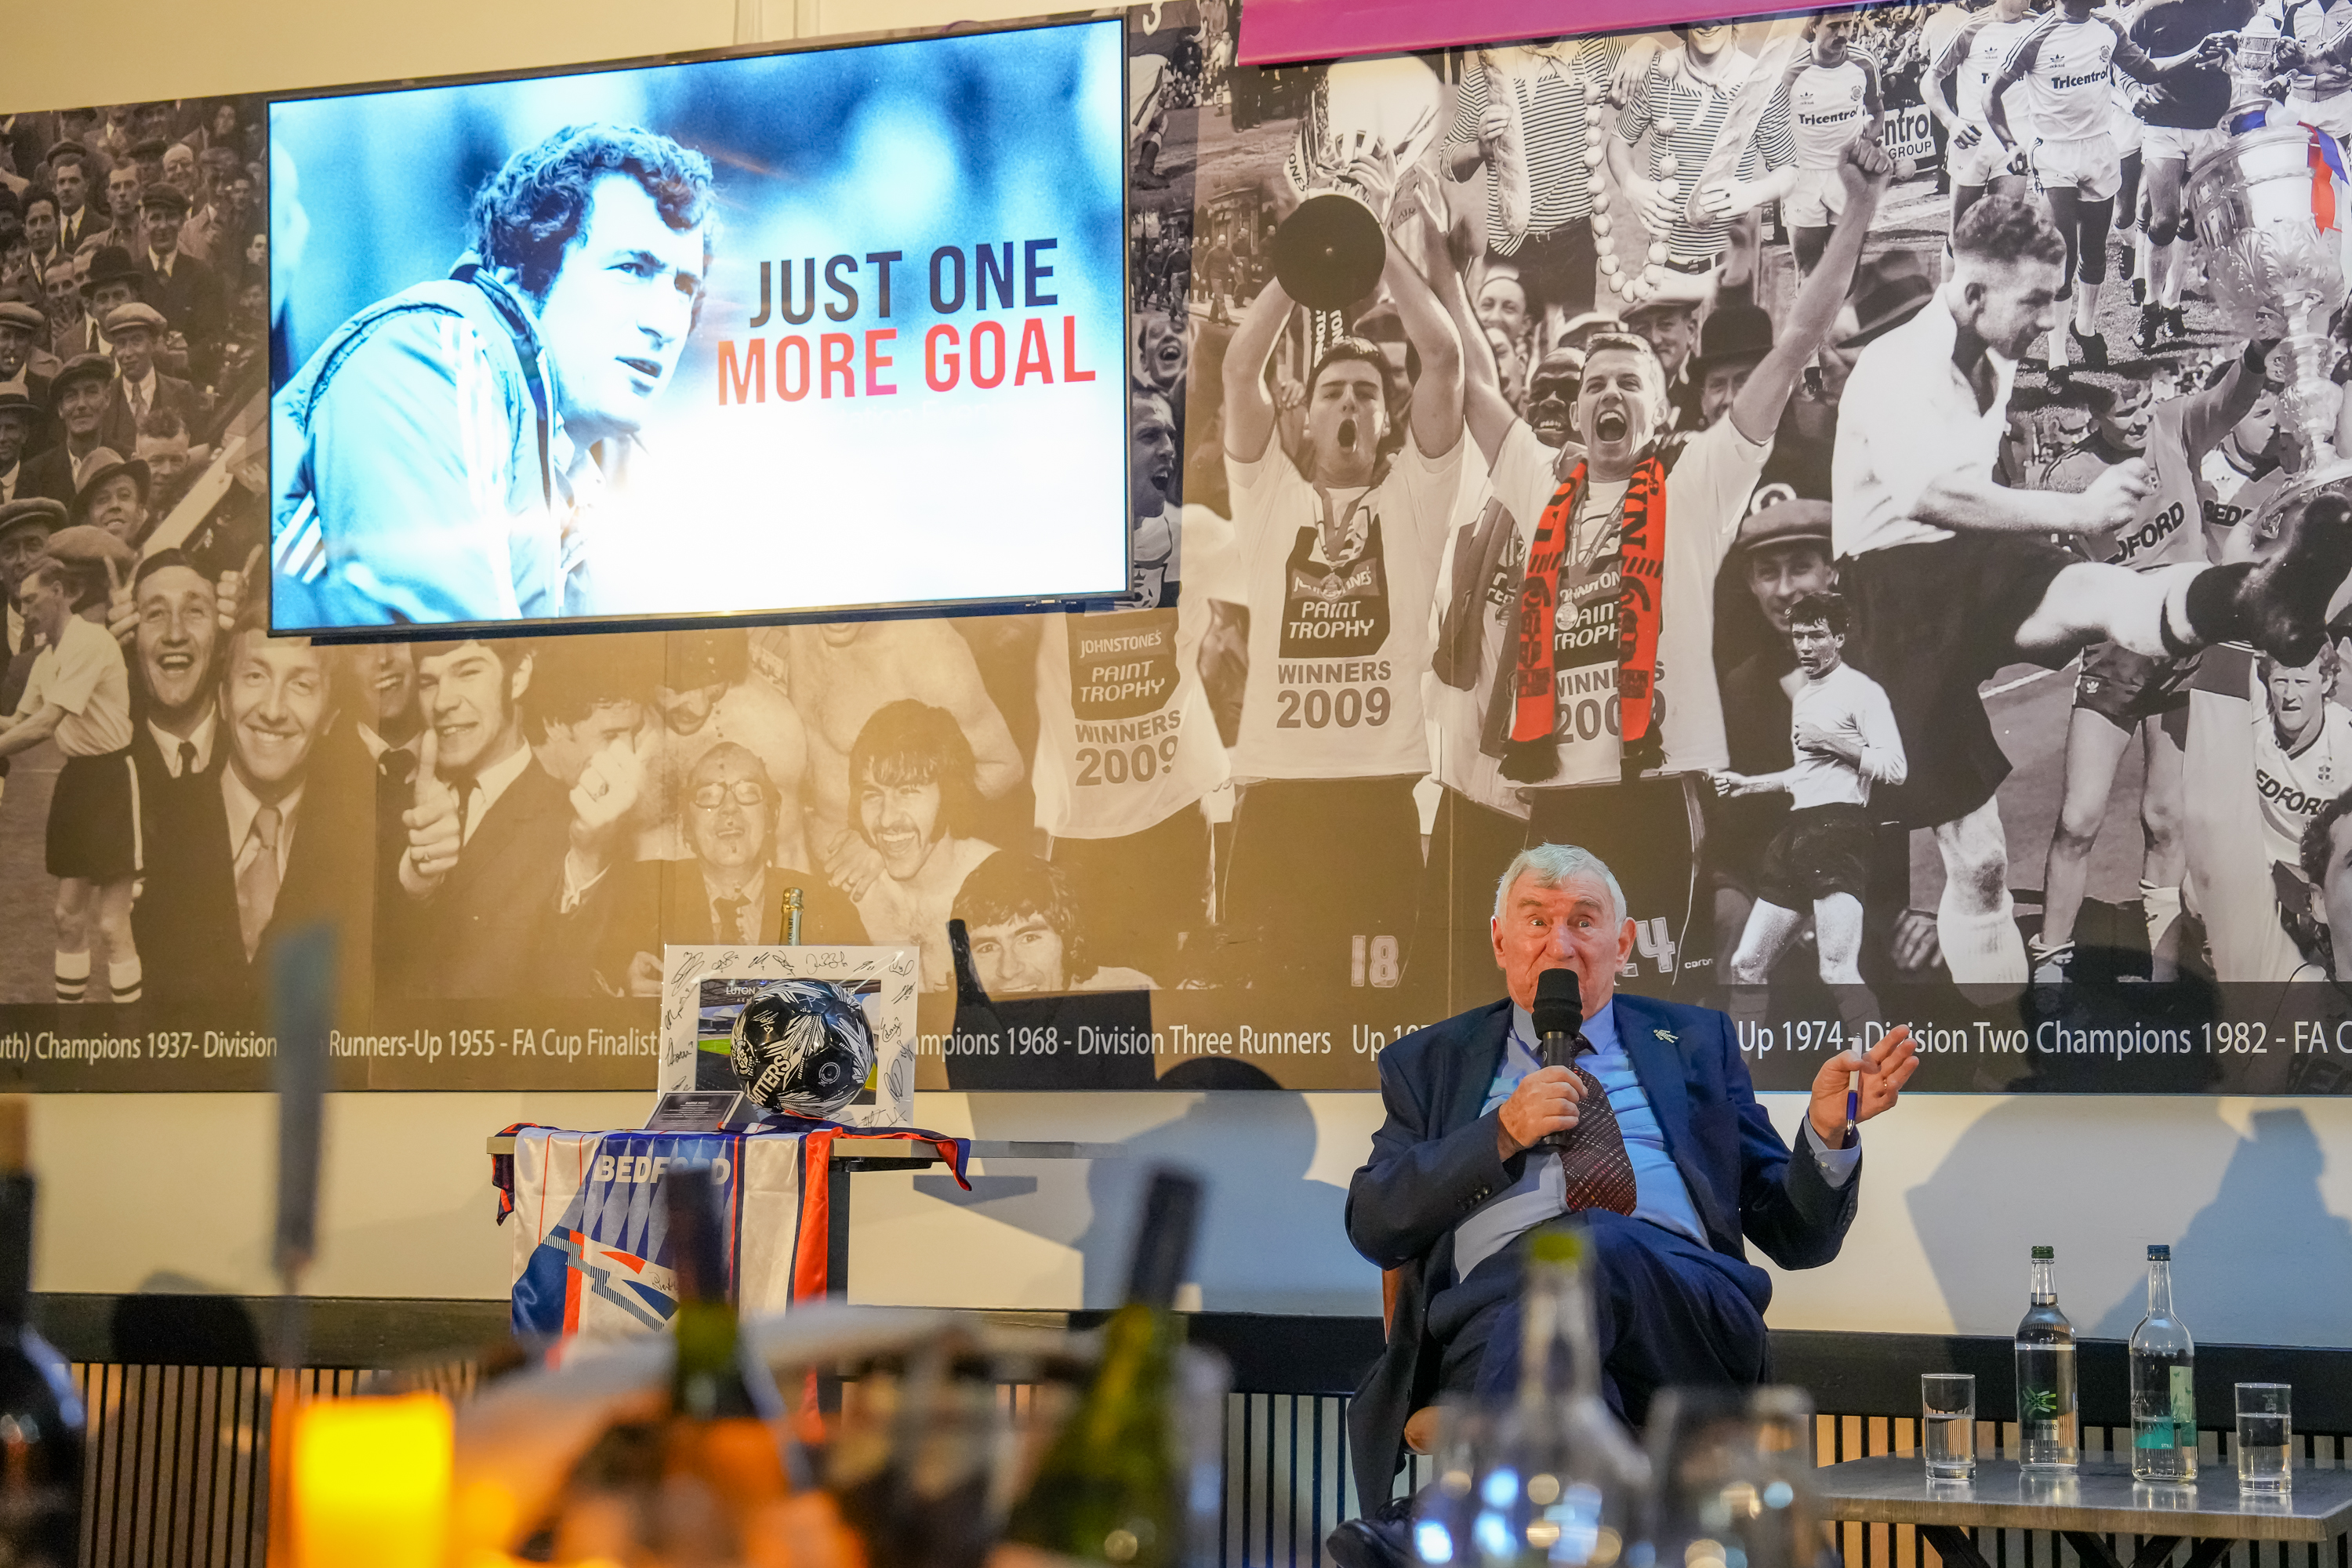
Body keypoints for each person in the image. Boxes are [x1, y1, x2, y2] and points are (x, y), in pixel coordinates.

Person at [1831, 196, 2352, 992]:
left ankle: (2248, 597)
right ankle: (2016, 971)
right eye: (2035, 301)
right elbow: (1928, 491)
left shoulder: (2103, 399)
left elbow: (2224, 404)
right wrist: (2070, 510)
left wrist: (2259, 350)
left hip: (2099, 619)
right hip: (1899, 594)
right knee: (1999, 832)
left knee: (2097, 617)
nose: (2046, 318)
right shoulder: (1907, 368)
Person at [1421, 139, 1893, 998]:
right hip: (1555, 804)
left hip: (1647, 800)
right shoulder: (1540, 484)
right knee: (1552, 1009)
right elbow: (1474, 380)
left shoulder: (1694, 487)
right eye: (1594, 380)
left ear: (1660, 404)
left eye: (1628, 380)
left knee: (1645, 1011)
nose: (1608, 393)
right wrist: (1446, 265)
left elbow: (1792, 346)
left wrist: (1857, 210)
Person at [1342, 843, 1919, 1519]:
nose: (1559, 943)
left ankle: (1445, 1533)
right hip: (1495, 1320)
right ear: (1500, 941)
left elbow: (1798, 1237)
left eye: (1583, 922)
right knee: (1563, 1307)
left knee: (1588, 1246)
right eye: (1535, 921)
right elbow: (1376, 1223)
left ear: (1622, 944)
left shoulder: (1698, 1040)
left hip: (1680, 1314)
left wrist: (1825, 1134)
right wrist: (1500, 1132)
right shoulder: (1430, 1061)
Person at [271, 123, 715, 626]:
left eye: (683, 287)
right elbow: (449, 669)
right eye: (632, 269)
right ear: (518, 271)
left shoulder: (585, 477)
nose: (664, 322)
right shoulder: (443, 354)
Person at [1218, 171, 1465, 989]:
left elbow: (1443, 358)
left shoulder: (1415, 499)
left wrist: (1373, 247)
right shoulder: (1267, 498)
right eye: (1334, 391)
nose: (1351, 401)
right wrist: (1305, 262)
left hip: (1376, 804)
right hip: (1278, 803)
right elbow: (1240, 369)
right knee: (1265, 1021)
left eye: (1366, 391)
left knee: (1373, 1022)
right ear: (1309, 413)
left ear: (1387, 417)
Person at [2030, 347, 2266, 983]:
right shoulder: (2071, 474)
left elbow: (2231, 399)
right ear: (2093, 414)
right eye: (2120, 412)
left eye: (2140, 404)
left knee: (2165, 819)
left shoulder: (2174, 425)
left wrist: (2261, 353)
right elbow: (2043, 558)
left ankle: (2163, 975)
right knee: (2079, 817)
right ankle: (2051, 963)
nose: (2136, 420)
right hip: (2117, 650)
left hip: (2186, 644)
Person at [130, 608, 372, 1002]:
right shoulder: (151, 820)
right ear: (223, 700)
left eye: (302, 685)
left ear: (329, 715)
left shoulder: (361, 839)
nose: (273, 710)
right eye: (255, 676)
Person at [1987, 0, 2222, 371]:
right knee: (2063, 257)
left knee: (2094, 256)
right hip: (2054, 155)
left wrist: (2195, 55)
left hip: (2099, 149)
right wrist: (2010, 144)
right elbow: (1990, 94)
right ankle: (2057, 360)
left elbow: (2146, 71)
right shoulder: (2036, 37)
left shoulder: (2108, 27)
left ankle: (2085, 326)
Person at [1711, 591, 1905, 1033]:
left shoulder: (1861, 692)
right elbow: (1808, 775)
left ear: (1839, 637)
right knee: (1746, 964)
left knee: (1837, 970)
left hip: (1841, 833)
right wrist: (1750, 784)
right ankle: (1745, 1073)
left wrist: (1830, 741)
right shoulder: (1807, 696)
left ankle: (1874, 1069)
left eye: (1816, 635)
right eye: (1799, 636)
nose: (1805, 646)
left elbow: (1895, 768)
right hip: (1799, 833)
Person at [581, 740, 867, 999]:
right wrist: (622, 990)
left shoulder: (827, 907)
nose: (729, 809)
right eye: (708, 796)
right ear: (686, 825)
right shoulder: (641, 893)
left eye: (748, 793)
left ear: (772, 815)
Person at [379, 637, 581, 996]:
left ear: (518, 676)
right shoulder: (387, 808)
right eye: (429, 682)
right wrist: (417, 883)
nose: (442, 702)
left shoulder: (573, 826)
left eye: (468, 673)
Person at [0, 551, 141, 1004]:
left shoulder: (88, 642)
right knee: (66, 916)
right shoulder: (47, 658)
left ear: (58, 593)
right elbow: (21, 720)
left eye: (30, 599)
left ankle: (131, 1038)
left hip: (112, 780)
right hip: (77, 782)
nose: (25, 611)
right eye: (20, 603)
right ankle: (69, 1027)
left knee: (111, 924)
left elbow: (45, 725)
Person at [1443, 37, 1628, 338]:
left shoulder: (1594, 50)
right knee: (1505, 350)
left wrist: (1647, 46)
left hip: (1575, 246)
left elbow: (1660, 73)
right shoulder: (1486, 72)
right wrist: (1480, 148)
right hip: (1511, 248)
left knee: (1576, 349)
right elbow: (1448, 162)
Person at [1608, 23, 1798, 287]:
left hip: (1730, 272)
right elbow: (1620, 140)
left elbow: (1790, 170)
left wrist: (1753, 194)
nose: (1708, 23)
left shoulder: (1759, 83)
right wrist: (1631, 185)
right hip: (1662, 270)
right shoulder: (1659, 74)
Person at [841, 699, 1000, 989]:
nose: (887, 819)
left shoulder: (1002, 885)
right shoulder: (851, 897)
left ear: (950, 796)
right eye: (873, 794)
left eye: (908, 791)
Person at [2136, 0, 2262, 349]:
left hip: (2211, 127)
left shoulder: (2237, 7)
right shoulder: (2152, 11)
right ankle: (2150, 308)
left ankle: (2172, 303)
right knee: (2163, 221)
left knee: (2193, 221)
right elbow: (2124, 62)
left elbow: (2250, 54)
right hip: (2163, 124)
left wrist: (2233, 63)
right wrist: (2133, 92)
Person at [1771, 12, 1886, 282]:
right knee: (1809, 272)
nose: (1843, 34)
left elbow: (1877, 111)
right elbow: (1772, 124)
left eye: (1848, 25)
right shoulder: (1791, 71)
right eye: (1833, 27)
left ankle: (1846, 324)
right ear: (1813, 26)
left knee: (1847, 271)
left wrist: (1868, 144)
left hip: (1847, 177)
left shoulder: (1864, 63)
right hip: (1805, 179)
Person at [952, 851, 1157, 993]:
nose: (1008, 970)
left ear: (1069, 944)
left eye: (1029, 938)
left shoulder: (1130, 993)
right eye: (987, 948)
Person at [1927, 0, 2038, 234]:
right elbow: (1930, 80)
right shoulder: (1971, 29)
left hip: (2015, 138)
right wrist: (1951, 122)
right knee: (1961, 236)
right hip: (1972, 138)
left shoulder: (2037, 26)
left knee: (2004, 236)